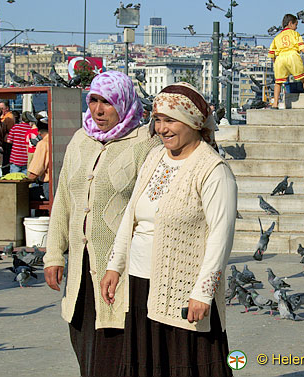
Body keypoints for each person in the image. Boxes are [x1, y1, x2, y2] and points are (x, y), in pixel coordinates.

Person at [101, 82, 237, 376]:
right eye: (158, 120)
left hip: (183, 287)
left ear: (193, 122)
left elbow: (220, 237)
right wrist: (115, 266)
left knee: (184, 364)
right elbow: (131, 217)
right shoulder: (154, 159)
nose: (161, 129)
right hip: (141, 283)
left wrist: (203, 292)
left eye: (170, 120)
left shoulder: (213, 170)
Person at [43, 71, 160, 377]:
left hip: (120, 271)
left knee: (115, 352)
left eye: (106, 102)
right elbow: (64, 200)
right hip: (82, 271)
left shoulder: (144, 143)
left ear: (123, 103)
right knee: (84, 345)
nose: (98, 109)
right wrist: (54, 254)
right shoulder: (80, 140)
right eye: (93, 100)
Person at [268, 14, 304, 109]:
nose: (296, 27)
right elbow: (301, 46)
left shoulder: (277, 37)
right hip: (292, 56)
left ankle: (275, 104)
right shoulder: (295, 34)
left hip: (280, 58)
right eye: (296, 24)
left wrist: (275, 62)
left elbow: (271, 53)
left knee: (278, 82)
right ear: (290, 24)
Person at [27, 118, 50, 200]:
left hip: (48, 186)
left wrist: (24, 182)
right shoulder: (58, 141)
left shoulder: (43, 144)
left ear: (39, 133)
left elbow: (36, 170)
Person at [0, 100, 14, 175]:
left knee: (6, 160)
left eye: (1, 108)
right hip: (4, 140)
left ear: (7, 108)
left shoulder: (9, 117)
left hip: (7, 141)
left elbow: (6, 129)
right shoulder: (4, 116)